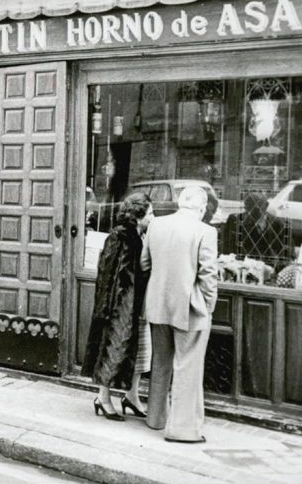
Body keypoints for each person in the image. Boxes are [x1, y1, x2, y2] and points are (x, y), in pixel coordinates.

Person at [140, 185, 218, 443]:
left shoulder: (157, 225)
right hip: (190, 307)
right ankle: (182, 430)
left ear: (180, 203)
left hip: (158, 304)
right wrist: (208, 308)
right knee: (187, 367)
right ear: (202, 207)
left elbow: (145, 263)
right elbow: (209, 277)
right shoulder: (206, 231)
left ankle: (155, 419)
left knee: (160, 362)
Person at [82, 193, 154, 421]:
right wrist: (115, 308)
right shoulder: (120, 236)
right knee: (114, 349)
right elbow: (109, 275)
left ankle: (131, 396)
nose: (153, 218)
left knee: (141, 352)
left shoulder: (136, 235)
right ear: (138, 216)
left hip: (136, 305)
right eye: (150, 213)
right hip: (120, 306)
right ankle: (103, 398)